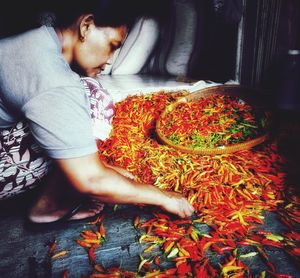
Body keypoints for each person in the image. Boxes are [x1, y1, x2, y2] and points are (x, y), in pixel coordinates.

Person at [0, 0, 194, 224]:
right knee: (93, 95)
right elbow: (91, 180)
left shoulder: (36, 39)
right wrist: (162, 196)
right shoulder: (55, 80)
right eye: (112, 45)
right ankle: (50, 207)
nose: (110, 60)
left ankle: (75, 166)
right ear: (86, 26)